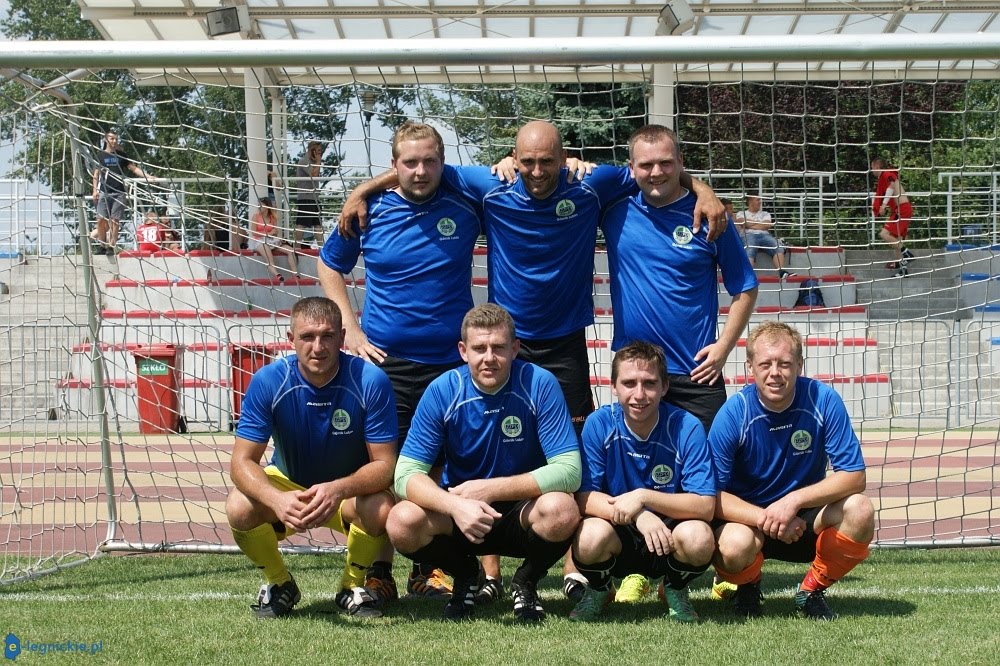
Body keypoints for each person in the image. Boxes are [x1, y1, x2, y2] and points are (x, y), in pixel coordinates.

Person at [339, 119, 726, 603]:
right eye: (528, 161)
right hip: (507, 341)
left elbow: (656, 170)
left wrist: (703, 190)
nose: (538, 171)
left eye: (548, 161)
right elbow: (421, 170)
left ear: (565, 160)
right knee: (470, 453)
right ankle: (478, 572)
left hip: (564, 342)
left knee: (572, 457)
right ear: (514, 160)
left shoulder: (591, 183)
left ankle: (575, 567)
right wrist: (363, 188)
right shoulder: (490, 184)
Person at [318, 120, 482, 601]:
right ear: (394, 166)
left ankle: (429, 567)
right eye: (410, 162)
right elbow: (329, 264)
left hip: (452, 366)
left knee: (438, 470)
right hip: (389, 366)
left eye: (430, 160)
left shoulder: (463, 202)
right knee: (387, 469)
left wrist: (364, 184)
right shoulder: (369, 213)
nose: (420, 170)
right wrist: (350, 326)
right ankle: (379, 571)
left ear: (442, 163)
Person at [387, 304, 582, 622]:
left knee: (562, 509)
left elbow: (570, 470)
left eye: (498, 347)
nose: (489, 357)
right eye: (479, 348)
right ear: (463, 351)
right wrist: (453, 505)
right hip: (463, 515)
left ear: (515, 348)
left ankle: (526, 582)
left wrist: (490, 489)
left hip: (522, 513)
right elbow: (405, 475)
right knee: (402, 521)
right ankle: (465, 575)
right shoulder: (443, 391)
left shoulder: (539, 384)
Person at [225, 297, 401, 619]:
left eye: (327, 336)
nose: (317, 347)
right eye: (307, 336)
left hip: (346, 493)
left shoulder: (371, 381)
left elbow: (385, 466)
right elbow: (241, 463)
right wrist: (276, 499)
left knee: (381, 506)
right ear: (290, 338)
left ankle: (351, 586)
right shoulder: (269, 381)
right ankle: (280, 584)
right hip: (288, 485)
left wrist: (338, 489)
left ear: (342, 336)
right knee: (239, 506)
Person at [708, 321, 875, 621]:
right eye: (766, 364)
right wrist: (766, 518)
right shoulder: (734, 413)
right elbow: (711, 496)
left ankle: (810, 591)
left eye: (785, 364)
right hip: (749, 522)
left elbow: (855, 476)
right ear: (750, 368)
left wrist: (793, 502)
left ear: (799, 365)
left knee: (860, 510)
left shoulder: (823, 400)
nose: (775, 373)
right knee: (734, 545)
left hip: (804, 520)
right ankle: (747, 585)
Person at [602, 125, 758, 435]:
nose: (656, 172)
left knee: (711, 477)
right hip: (637, 376)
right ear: (631, 168)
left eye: (665, 163)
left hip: (696, 374)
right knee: (640, 473)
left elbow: (745, 288)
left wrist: (724, 348)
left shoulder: (711, 217)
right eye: (646, 165)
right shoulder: (612, 209)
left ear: (680, 162)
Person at [568, 342, 716, 623]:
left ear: (665, 387)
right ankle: (600, 590)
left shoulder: (687, 426)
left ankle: (674, 588)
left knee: (699, 538)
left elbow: (705, 505)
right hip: (619, 532)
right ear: (613, 386)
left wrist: (644, 496)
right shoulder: (600, 423)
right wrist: (639, 513)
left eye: (649, 383)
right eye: (629, 383)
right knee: (589, 536)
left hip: (668, 535)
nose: (639, 394)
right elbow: (584, 496)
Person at [91, 131, 155, 255]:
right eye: (112, 138)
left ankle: (111, 246)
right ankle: (102, 246)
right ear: (106, 140)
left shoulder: (121, 155)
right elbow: (96, 174)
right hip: (105, 191)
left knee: (115, 221)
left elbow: (134, 168)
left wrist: (148, 177)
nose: (114, 141)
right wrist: (94, 190)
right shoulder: (100, 155)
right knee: (100, 220)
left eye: (116, 139)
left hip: (119, 192)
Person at [871, 157, 914, 277]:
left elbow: (891, 187)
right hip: (901, 209)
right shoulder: (885, 176)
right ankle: (903, 270)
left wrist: (883, 205)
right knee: (897, 240)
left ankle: (907, 254)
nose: (871, 170)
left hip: (902, 209)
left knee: (884, 234)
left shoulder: (887, 174)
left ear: (876, 166)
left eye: (872, 167)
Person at [735, 193, 793, 279]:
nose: (760, 202)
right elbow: (743, 222)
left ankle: (781, 272)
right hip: (748, 235)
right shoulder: (741, 213)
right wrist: (760, 224)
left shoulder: (766, 214)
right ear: (750, 201)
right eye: (757, 200)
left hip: (764, 235)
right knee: (750, 248)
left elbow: (767, 225)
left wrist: (750, 224)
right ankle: (747, 274)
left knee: (778, 246)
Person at [250, 197, 300, 282]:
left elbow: (275, 232)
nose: (259, 207)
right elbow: (254, 233)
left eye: (261, 205)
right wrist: (269, 233)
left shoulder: (272, 217)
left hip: (271, 240)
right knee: (269, 258)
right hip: (259, 240)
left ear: (267, 206)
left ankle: (295, 275)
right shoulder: (256, 216)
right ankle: (277, 275)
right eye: (258, 205)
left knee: (291, 251)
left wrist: (276, 234)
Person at [293, 141, 326, 248]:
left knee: (318, 224)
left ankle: (322, 247)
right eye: (318, 151)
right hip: (305, 197)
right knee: (301, 223)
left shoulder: (313, 161)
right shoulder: (304, 161)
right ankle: (297, 246)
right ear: (312, 150)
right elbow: (314, 174)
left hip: (314, 198)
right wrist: (318, 161)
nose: (320, 153)